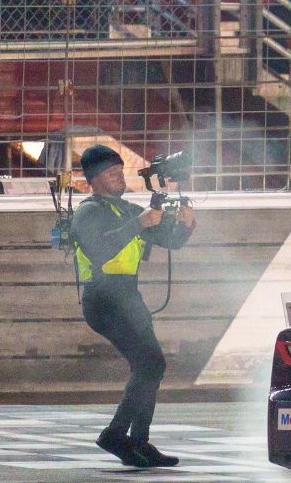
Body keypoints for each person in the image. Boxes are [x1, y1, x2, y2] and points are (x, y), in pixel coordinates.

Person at [71, 144, 194, 470]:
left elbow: (169, 240)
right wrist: (139, 224)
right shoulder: (88, 212)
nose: (120, 178)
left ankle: (138, 441)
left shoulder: (127, 209)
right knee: (151, 364)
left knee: (151, 366)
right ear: (94, 180)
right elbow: (99, 248)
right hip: (103, 299)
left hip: (128, 297)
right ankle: (115, 434)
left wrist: (185, 227)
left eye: (120, 172)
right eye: (112, 174)